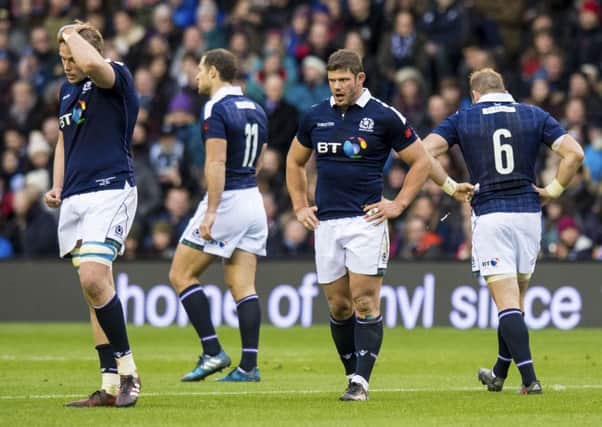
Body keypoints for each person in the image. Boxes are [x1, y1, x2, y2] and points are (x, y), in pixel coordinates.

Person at [423, 68, 584, 394]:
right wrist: (553, 190)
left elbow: (423, 152)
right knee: (516, 302)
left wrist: (451, 186)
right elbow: (574, 153)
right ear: (504, 88)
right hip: (528, 214)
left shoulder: (464, 118)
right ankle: (498, 373)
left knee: (508, 303)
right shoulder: (533, 114)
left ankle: (530, 380)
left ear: (475, 95)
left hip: (492, 214)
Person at [286, 49, 432, 401]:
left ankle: (361, 383)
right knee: (338, 306)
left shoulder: (384, 116)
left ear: (360, 79)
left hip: (366, 220)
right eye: (332, 80)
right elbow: (294, 162)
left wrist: (398, 203)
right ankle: (352, 374)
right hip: (327, 223)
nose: (336, 87)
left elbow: (422, 162)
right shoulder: (315, 115)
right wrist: (299, 205)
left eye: (343, 80)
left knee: (364, 300)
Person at [43, 21, 141, 407]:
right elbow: (65, 140)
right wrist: (57, 184)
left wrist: (68, 32)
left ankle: (130, 372)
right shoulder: (67, 92)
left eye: (72, 57)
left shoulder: (114, 75)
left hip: (111, 189)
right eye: (62, 58)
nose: (67, 64)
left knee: (93, 276)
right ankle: (110, 385)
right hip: (76, 197)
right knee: (93, 292)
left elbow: (93, 65)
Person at [168, 48, 268, 382]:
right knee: (243, 286)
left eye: (199, 69)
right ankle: (249, 366)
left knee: (181, 275)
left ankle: (212, 352)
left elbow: (216, 162)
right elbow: (260, 158)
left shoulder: (216, 108)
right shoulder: (256, 107)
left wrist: (211, 212)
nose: (195, 76)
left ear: (213, 72)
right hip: (254, 200)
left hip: (227, 201)